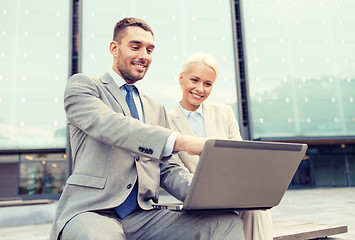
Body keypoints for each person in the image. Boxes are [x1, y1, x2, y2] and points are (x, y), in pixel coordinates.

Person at [50, 18, 245, 240]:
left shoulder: (155, 108)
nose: (144, 55)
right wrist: (182, 141)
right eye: (135, 47)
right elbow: (113, 126)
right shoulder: (84, 87)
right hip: (92, 211)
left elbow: (168, 168)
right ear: (114, 48)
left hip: (143, 215)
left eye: (150, 50)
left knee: (226, 223)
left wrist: (210, 192)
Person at [168, 53, 273, 240]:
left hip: (231, 192)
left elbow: (241, 160)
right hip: (195, 199)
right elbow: (173, 171)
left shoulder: (224, 113)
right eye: (195, 80)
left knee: (257, 208)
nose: (200, 89)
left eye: (208, 84)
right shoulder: (165, 121)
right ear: (181, 79)